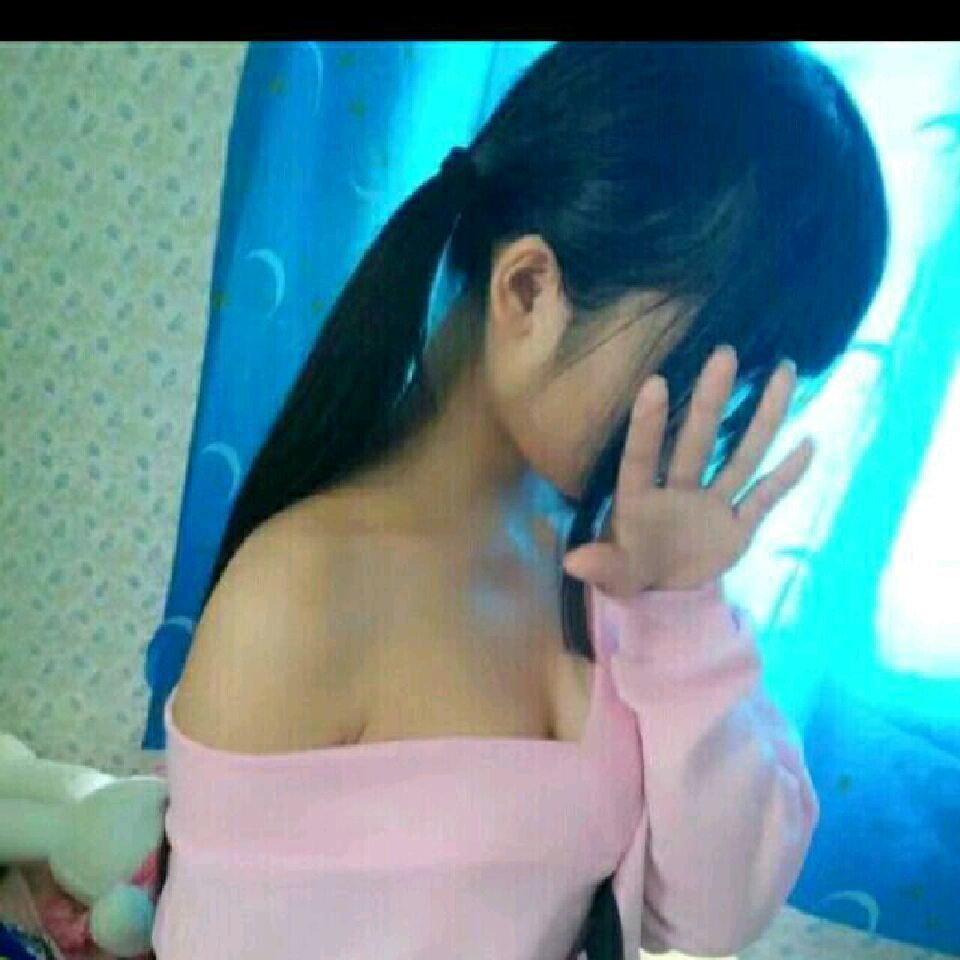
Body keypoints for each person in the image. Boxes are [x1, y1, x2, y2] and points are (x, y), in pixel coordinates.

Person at [149, 41, 889, 960]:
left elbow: (712, 913)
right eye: (704, 367)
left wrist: (679, 606)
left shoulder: (622, 578)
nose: (718, 432)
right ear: (529, 290)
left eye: (753, 392)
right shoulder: (301, 591)